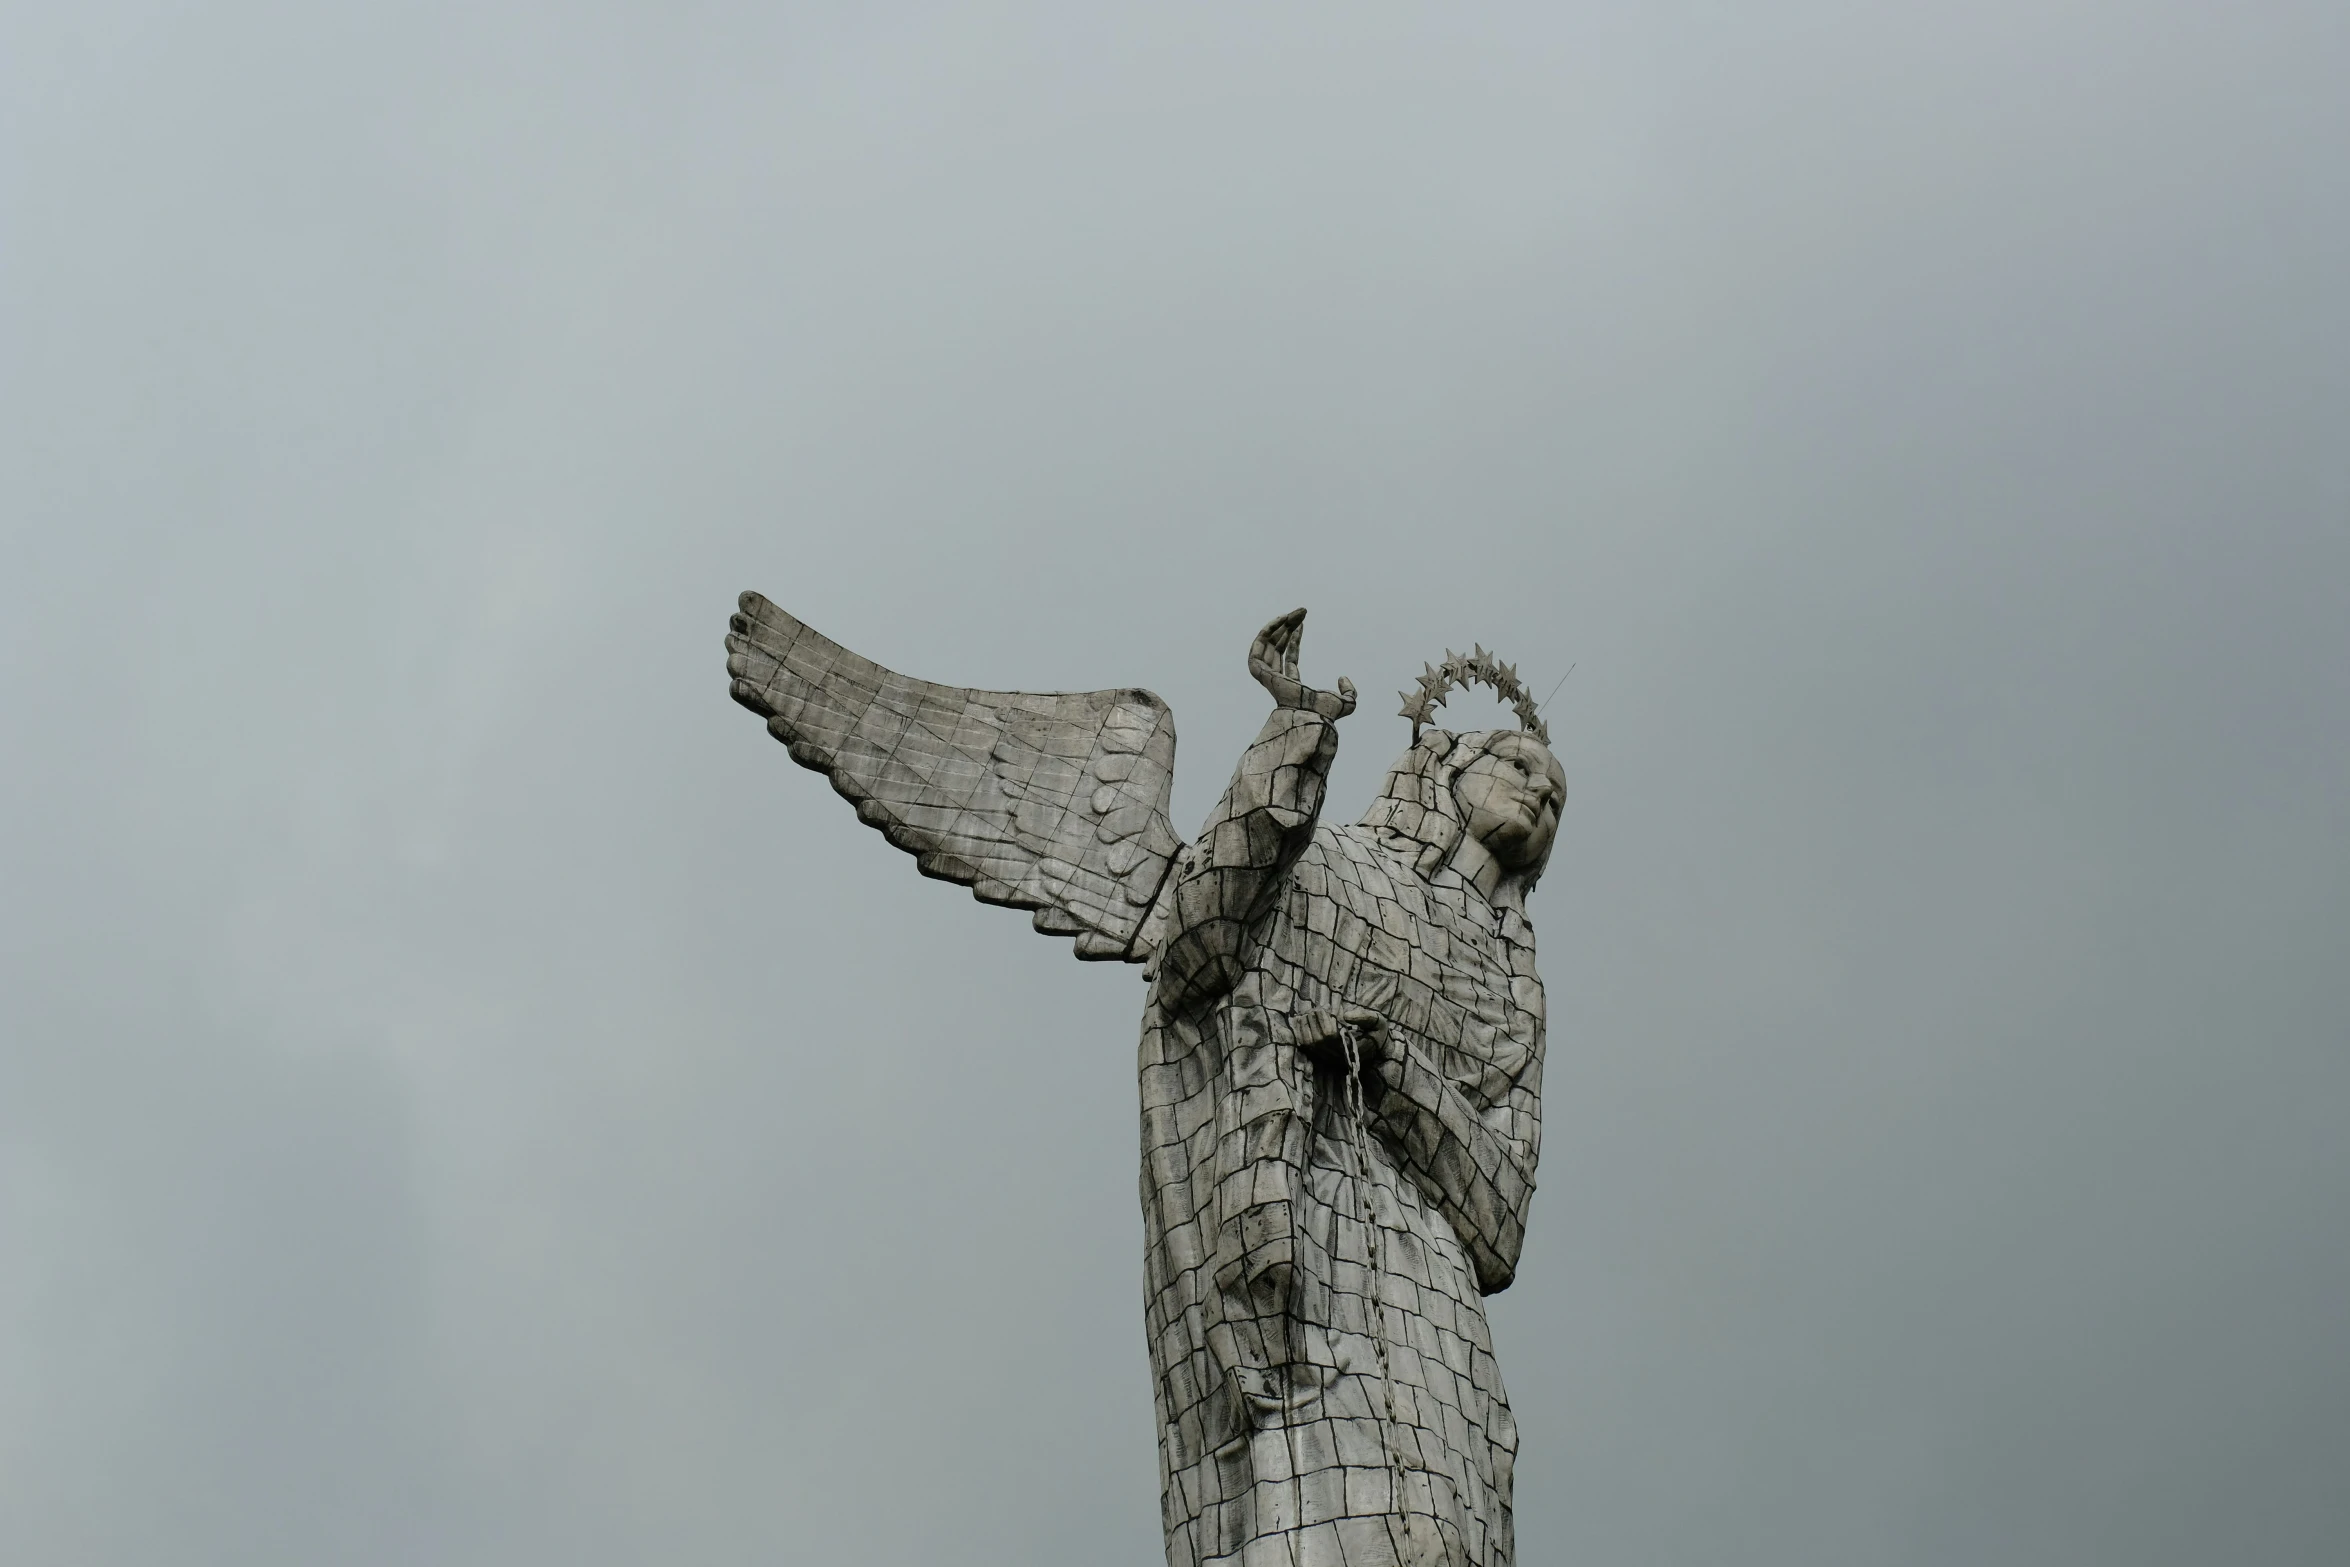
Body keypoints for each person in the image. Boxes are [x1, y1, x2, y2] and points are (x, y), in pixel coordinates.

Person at [1140, 611, 1563, 1567]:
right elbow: (1200, 945)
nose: (1540, 794)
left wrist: (1401, 1072)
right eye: (1519, 767)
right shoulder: (1330, 868)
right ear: (1443, 768)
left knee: (1447, 1524)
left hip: (1433, 1287)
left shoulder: (1515, 998)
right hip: (1304, 1226)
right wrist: (1294, 735)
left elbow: (1500, 1224)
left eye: (1558, 799)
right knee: (1329, 1512)